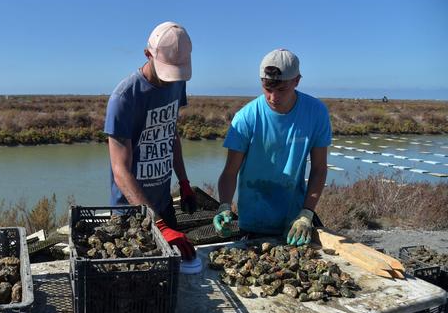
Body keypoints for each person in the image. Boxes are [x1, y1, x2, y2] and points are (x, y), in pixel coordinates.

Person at [213, 49, 332, 245]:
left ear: (297, 81)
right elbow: (229, 172)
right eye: (267, 88)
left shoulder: (316, 113)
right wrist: (224, 205)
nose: (273, 97)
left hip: (295, 219)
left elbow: (319, 168)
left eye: (281, 89)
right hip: (252, 220)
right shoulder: (246, 117)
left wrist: (306, 213)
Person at [104, 21, 197, 260]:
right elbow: (120, 171)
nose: (170, 80)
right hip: (131, 213)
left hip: (164, 204)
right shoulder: (124, 98)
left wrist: (184, 182)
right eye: (167, 71)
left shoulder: (177, 81)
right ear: (148, 54)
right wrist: (157, 225)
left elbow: (170, 133)